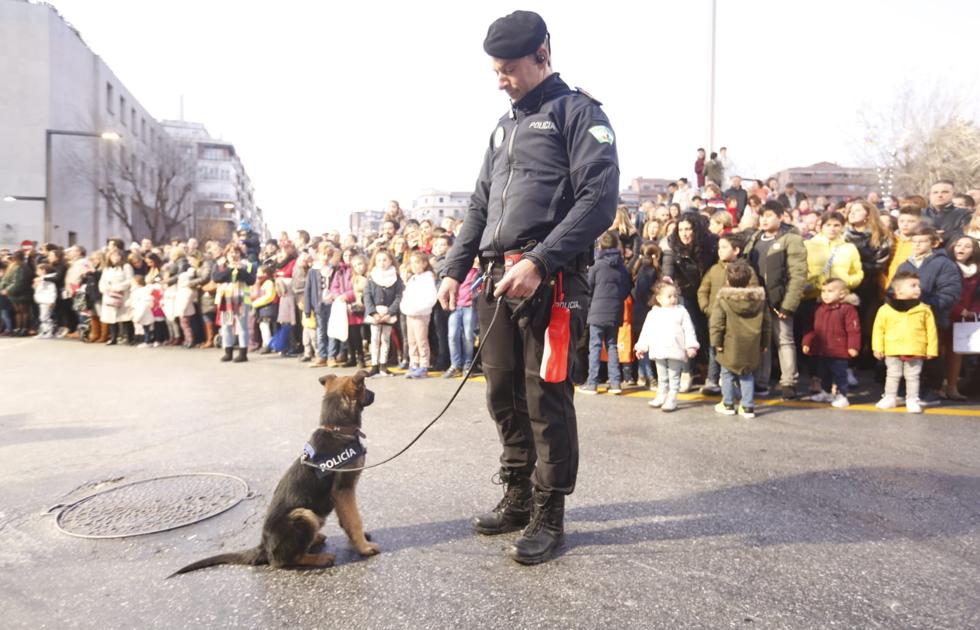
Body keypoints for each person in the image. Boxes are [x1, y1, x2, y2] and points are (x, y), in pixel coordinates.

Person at [436, 9, 618, 565]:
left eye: (509, 68)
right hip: (495, 279)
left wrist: (540, 260)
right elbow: (478, 203)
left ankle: (549, 511)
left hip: (550, 280)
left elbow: (598, 202)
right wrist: (454, 265)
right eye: (495, 69)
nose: (500, 79)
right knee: (501, 394)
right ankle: (516, 494)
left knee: (546, 400)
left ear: (542, 53)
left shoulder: (579, 113)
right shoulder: (504, 125)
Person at [743, 200, 807, 400]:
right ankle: (762, 381)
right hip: (757, 300)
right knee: (762, 342)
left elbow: (798, 274)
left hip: (780, 301)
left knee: (784, 341)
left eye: (769, 215)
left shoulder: (791, 239)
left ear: (781, 217)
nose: (764, 219)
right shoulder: (754, 238)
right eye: (762, 215)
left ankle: (788, 382)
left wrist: (788, 304)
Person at [896, 227, 962, 405]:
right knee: (906, 354)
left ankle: (931, 391)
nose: (916, 244)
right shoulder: (905, 264)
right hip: (905, 319)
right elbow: (893, 289)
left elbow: (950, 294)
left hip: (932, 317)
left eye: (922, 241)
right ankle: (906, 390)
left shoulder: (944, 264)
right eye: (914, 241)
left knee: (930, 355)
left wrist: (923, 303)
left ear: (934, 243)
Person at [697, 233, 757, 394]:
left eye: (724, 247)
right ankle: (712, 379)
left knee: (733, 349)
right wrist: (707, 308)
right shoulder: (714, 269)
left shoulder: (746, 270)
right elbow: (703, 290)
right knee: (713, 348)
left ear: (736, 250)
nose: (720, 251)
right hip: (716, 319)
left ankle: (735, 381)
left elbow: (753, 292)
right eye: (719, 248)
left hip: (737, 322)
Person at [709, 260, 768, 419]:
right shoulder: (759, 299)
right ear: (749, 279)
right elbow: (766, 323)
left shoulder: (723, 298)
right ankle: (747, 406)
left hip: (730, 342)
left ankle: (728, 403)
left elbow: (717, 322)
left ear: (727, 280)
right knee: (747, 374)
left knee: (727, 373)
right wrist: (765, 343)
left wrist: (716, 342)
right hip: (752, 343)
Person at [872, 271, 938, 413]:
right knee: (892, 374)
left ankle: (912, 399)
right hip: (892, 348)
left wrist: (931, 349)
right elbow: (878, 330)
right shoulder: (885, 309)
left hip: (915, 348)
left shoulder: (924, 310)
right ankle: (890, 397)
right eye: (913, 285)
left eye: (918, 286)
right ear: (899, 290)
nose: (918, 289)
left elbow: (931, 331)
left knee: (913, 376)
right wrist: (877, 347)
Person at [579, 231, 631, 395]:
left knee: (594, 346)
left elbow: (589, 288)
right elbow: (627, 288)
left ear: (600, 246)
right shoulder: (622, 268)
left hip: (596, 311)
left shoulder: (597, 266)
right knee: (612, 346)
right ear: (617, 246)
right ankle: (615, 383)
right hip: (615, 312)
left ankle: (592, 383)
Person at [635, 280, 699, 412]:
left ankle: (672, 397)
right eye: (669, 296)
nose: (673, 299)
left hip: (676, 350)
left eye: (675, 296)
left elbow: (689, 329)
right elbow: (646, 331)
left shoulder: (681, 311)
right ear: (659, 298)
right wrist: (641, 346)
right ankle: (661, 394)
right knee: (662, 375)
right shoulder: (653, 313)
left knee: (674, 376)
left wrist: (691, 346)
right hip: (659, 349)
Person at [802, 278, 861, 408]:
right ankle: (826, 392)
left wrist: (853, 346)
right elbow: (812, 328)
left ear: (842, 294)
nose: (825, 294)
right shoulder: (819, 309)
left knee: (840, 374)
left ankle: (842, 395)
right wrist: (807, 342)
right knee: (823, 373)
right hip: (822, 349)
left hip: (839, 350)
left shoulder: (847, 309)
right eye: (823, 291)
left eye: (830, 291)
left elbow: (854, 330)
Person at [944, 236, 980, 400]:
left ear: (973, 251)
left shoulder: (976, 272)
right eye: (959, 244)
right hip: (946, 313)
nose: (962, 248)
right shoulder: (946, 266)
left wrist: (973, 310)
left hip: (963, 318)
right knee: (938, 352)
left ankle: (952, 387)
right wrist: (958, 309)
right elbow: (943, 291)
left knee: (956, 354)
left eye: (967, 246)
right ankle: (937, 386)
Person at [212, 244, 256, 363]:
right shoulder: (220, 264)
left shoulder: (247, 265)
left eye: (236, 252)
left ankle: (243, 353)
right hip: (226, 299)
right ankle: (228, 351)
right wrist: (230, 269)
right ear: (226, 253)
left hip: (242, 299)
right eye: (231, 252)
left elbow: (251, 280)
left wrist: (240, 270)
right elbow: (216, 278)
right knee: (226, 325)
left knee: (242, 326)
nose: (233, 254)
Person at [400, 250, 438, 379]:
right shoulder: (412, 278)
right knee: (412, 341)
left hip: (421, 314)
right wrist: (405, 307)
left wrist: (418, 309)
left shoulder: (428, 278)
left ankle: (423, 365)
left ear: (424, 263)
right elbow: (406, 295)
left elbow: (431, 297)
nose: (414, 265)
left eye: (417, 262)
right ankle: (414, 363)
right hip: (410, 313)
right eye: (412, 263)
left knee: (421, 340)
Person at [365, 249, 402, 378]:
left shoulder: (396, 278)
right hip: (375, 314)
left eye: (385, 260)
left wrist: (390, 312)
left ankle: (383, 366)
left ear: (390, 261)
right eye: (379, 260)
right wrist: (373, 312)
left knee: (385, 340)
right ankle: (374, 366)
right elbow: (367, 295)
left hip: (388, 313)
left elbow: (398, 296)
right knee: (374, 339)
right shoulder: (371, 277)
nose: (382, 263)